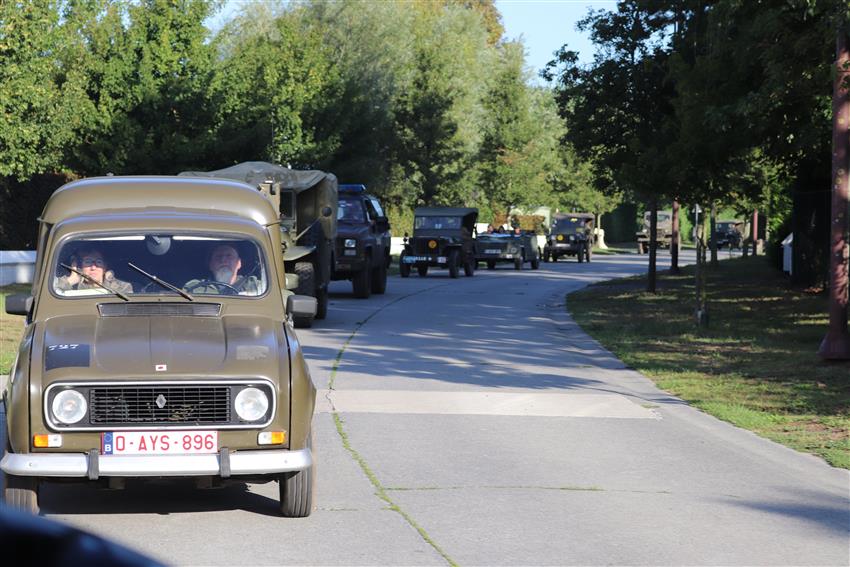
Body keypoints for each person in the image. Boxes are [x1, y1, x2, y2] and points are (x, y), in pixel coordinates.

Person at [184, 243, 261, 295]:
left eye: (229, 256)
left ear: (239, 263)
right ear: (210, 265)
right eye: (218, 256)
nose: (223, 260)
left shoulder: (254, 285)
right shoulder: (194, 287)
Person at [55, 248, 132, 294]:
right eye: (88, 262)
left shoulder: (122, 287)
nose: (93, 267)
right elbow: (52, 295)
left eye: (99, 262)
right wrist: (70, 281)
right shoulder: (73, 286)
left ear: (104, 268)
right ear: (80, 267)